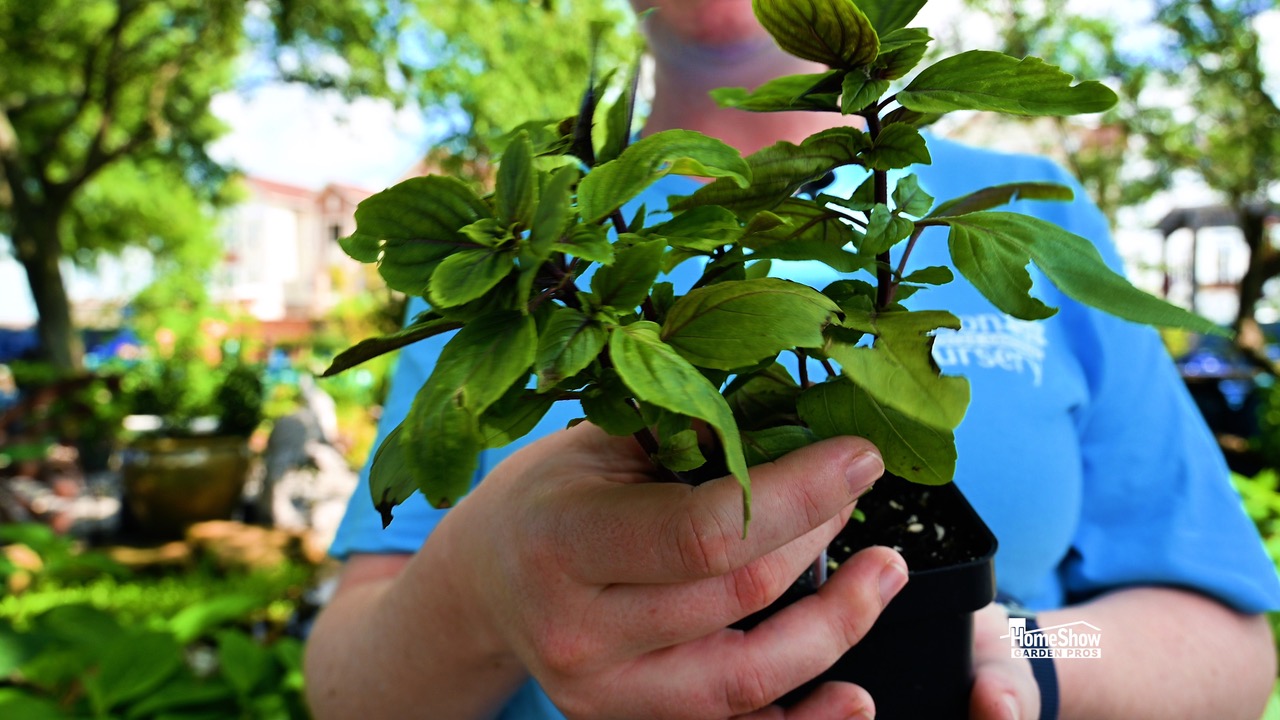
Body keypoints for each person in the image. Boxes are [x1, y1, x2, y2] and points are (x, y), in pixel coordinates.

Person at [304, 2, 1280, 718]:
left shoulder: (1031, 208)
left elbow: (1230, 645)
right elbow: (344, 684)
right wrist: (479, 586)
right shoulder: (523, 273)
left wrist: (1026, 646)